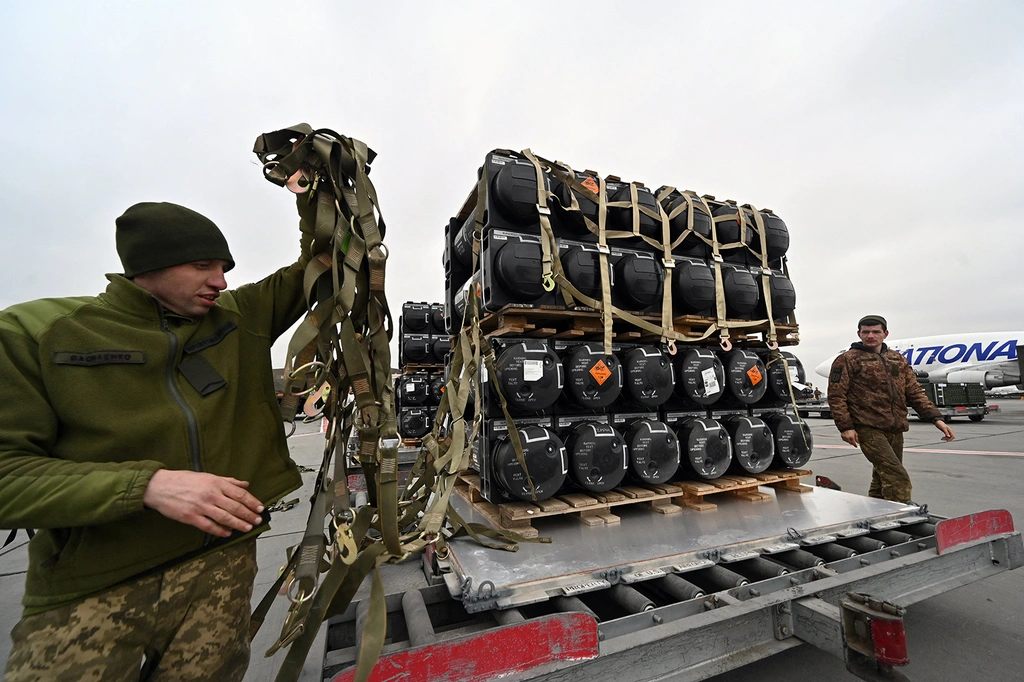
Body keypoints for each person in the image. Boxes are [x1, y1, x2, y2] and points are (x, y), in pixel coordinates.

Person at [0, 198, 312, 681]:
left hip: (222, 567)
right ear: (148, 264)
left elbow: (325, 262)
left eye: (224, 268)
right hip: (95, 585)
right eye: (202, 265)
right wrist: (148, 485)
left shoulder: (240, 316)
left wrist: (317, 185)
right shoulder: (36, 333)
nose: (221, 281)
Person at [827, 315, 955, 503]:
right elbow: (836, 396)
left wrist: (937, 419)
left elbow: (914, 391)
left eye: (876, 331)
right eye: (866, 332)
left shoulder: (897, 359)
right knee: (896, 475)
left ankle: (876, 508)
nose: (871, 335)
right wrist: (846, 427)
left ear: (885, 334)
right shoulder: (847, 359)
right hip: (867, 427)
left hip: (895, 427)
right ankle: (903, 514)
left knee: (882, 475)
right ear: (859, 334)